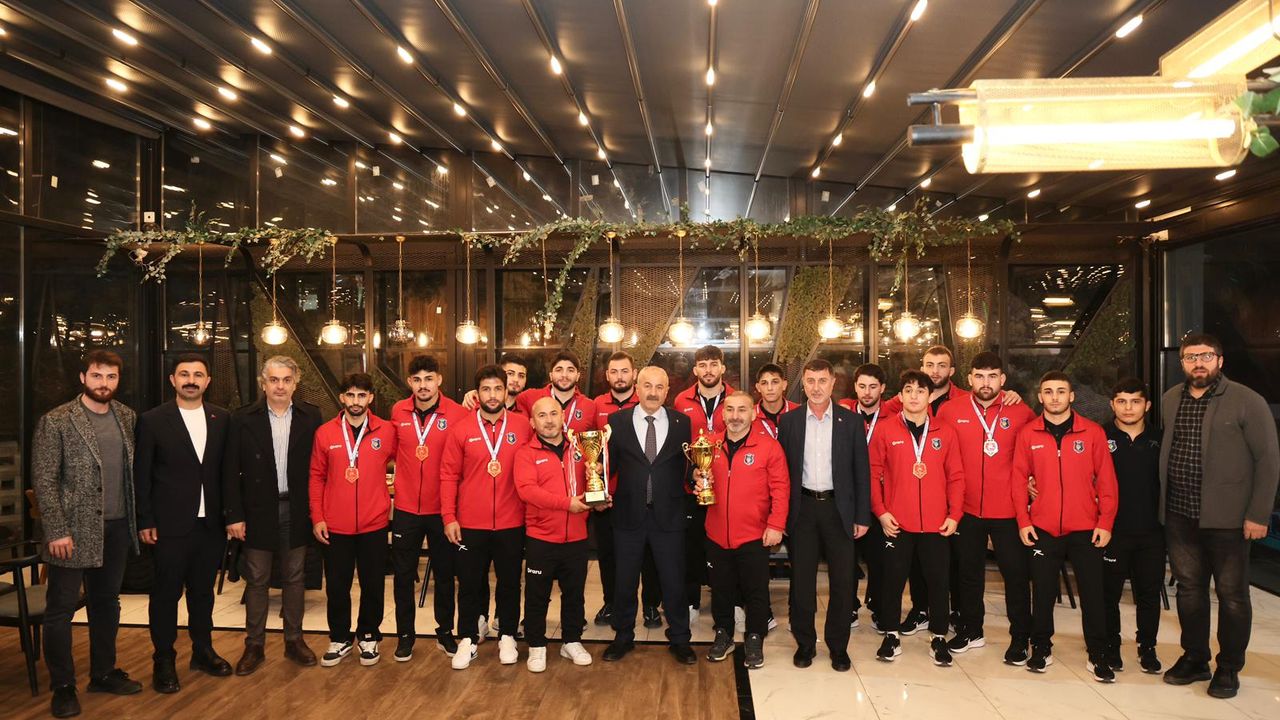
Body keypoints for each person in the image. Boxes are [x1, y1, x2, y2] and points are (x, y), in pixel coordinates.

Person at [1159, 333, 1279, 699]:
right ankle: (1195, 658)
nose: (1199, 363)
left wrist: (1258, 514)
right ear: (1182, 362)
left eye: (1206, 356)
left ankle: (1228, 667)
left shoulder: (1247, 400)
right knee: (1189, 591)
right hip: (1180, 514)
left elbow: (1268, 461)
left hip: (1230, 520)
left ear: (1220, 360)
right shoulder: (1170, 398)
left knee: (1232, 596)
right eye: (1191, 357)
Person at [33, 350, 142, 718]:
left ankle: (103, 673)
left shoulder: (126, 416)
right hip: (72, 532)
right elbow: (45, 480)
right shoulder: (57, 420)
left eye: (111, 377)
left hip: (117, 527)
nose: (104, 383)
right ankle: (63, 686)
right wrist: (56, 530)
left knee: (107, 603)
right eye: (97, 376)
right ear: (83, 377)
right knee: (60, 610)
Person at [1011, 371, 1118, 682]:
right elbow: (1018, 480)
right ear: (1040, 397)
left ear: (1072, 396)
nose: (1055, 397)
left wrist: (1106, 522)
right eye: (1048, 391)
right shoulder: (1028, 434)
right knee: (1042, 594)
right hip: (1043, 528)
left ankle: (1098, 652)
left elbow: (1107, 481)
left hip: (1086, 528)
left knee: (1093, 595)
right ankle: (1041, 648)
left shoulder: (1093, 433)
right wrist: (1023, 521)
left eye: (1061, 391)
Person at [135, 354, 231, 693]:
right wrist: (145, 518)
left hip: (210, 525)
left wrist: (231, 516)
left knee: (203, 594)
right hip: (168, 526)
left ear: (208, 381)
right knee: (166, 595)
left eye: (198, 375)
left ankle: (203, 652)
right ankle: (163, 659)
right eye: (184, 374)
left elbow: (227, 472)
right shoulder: (152, 420)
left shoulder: (222, 418)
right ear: (172, 380)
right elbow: (141, 474)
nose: (191, 380)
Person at [223, 356, 322, 675]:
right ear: (263, 383)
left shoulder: (311, 416)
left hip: (296, 509)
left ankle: (294, 640)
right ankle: (254, 645)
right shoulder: (242, 418)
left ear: (296, 382)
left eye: (286, 380)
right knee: (257, 580)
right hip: (256, 511)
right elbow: (229, 471)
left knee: (295, 578)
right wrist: (233, 515)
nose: (280, 386)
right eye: (274, 380)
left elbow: (320, 468)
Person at [935, 352, 1035, 663]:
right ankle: (971, 630)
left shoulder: (1021, 411)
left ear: (1003, 379)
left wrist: (1034, 482)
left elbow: (1036, 452)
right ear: (969, 379)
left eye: (992, 376)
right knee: (968, 574)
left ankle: (1020, 638)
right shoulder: (950, 410)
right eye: (979, 376)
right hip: (966, 509)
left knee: (1015, 576)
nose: (986, 383)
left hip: (1008, 509)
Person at [778, 359, 870, 672]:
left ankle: (838, 647)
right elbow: (781, 474)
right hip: (802, 510)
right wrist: (781, 515)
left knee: (843, 582)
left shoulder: (851, 421)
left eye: (822, 381)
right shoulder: (789, 422)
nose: (816, 387)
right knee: (801, 582)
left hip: (839, 510)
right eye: (810, 381)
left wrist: (862, 516)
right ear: (803, 384)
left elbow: (862, 472)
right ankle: (805, 643)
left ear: (833, 383)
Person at [602, 365, 697, 665]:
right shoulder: (616, 421)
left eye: (659, 387)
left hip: (670, 516)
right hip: (628, 515)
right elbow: (606, 466)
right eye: (647, 386)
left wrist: (698, 476)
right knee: (625, 581)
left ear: (667, 391)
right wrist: (597, 488)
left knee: (674, 581)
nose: (653, 392)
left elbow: (690, 466)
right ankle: (622, 636)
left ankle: (680, 639)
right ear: (637, 387)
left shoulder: (683, 423)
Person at [869, 370, 964, 667]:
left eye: (920, 391)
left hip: (937, 524)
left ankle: (938, 637)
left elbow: (956, 477)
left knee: (938, 582)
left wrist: (955, 515)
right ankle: (891, 634)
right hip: (897, 523)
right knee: (892, 581)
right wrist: (881, 512)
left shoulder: (946, 432)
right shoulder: (885, 430)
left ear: (930, 396)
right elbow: (872, 474)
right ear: (900, 396)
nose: (914, 396)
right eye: (908, 390)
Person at [441, 365, 532, 670]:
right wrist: (449, 517)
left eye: (497, 389)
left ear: (506, 391)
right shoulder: (461, 429)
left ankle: (507, 635)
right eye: (486, 389)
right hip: (470, 524)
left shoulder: (523, 426)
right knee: (468, 583)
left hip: (511, 521)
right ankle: (467, 638)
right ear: (476, 393)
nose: (492, 395)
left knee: (510, 582)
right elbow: (448, 475)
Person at [309, 373, 397, 668]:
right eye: (350, 395)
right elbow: (316, 477)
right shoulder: (325, 433)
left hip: (374, 524)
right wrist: (318, 516)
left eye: (361, 395)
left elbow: (408, 463)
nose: (356, 401)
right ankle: (340, 638)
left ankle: (369, 635)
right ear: (342, 398)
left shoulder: (387, 430)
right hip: (335, 525)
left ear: (370, 398)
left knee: (373, 584)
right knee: (337, 586)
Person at [699, 392, 789, 669]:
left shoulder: (769, 447)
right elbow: (697, 481)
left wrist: (776, 525)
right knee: (720, 589)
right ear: (722, 414)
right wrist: (697, 480)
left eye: (741, 410)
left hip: (754, 534)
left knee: (756, 590)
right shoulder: (709, 445)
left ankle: (754, 637)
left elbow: (781, 489)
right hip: (716, 533)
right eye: (730, 410)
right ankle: (723, 633)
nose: (735, 416)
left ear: (753, 414)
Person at [389, 355, 466, 661]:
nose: (423, 385)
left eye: (429, 379)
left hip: (441, 510)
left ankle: (445, 632)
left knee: (445, 576)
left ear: (439, 380)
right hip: (406, 508)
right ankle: (405, 635)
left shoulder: (458, 413)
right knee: (403, 576)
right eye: (417, 380)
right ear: (410, 382)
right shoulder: (398, 410)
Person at [514, 397, 595, 672]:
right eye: (542, 415)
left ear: (563, 417)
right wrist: (566, 504)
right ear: (532, 422)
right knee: (537, 595)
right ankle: (536, 645)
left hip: (577, 537)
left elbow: (592, 482)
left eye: (553, 414)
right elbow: (527, 490)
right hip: (541, 538)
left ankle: (571, 640)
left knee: (574, 594)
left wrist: (599, 499)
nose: (548, 420)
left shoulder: (581, 448)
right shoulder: (526, 453)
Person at [590, 351, 662, 629]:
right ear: (607, 375)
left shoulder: (647, 400)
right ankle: (612, 602)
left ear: (634, 374)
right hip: (608, 496)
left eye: (624, 371)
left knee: (649, 554)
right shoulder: (596, 405)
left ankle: (651, 604)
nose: (619, 377)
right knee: (609, 554)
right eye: (614, 371)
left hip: (641, 494)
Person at [1101, 377, 1164, 674]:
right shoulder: (1099, 436)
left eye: (1135, 401)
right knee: (1108, 594)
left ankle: (1147, 647)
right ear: (1112, 404)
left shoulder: (1161, 438)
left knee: (1149, 595)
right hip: (1111, 531)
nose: (1128, 408)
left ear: (1147, 405)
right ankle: (1111, 646)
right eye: (1122, 401)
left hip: (1152, 531)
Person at [672, 345, 735, 625]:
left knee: (725, 549)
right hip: (692, 487)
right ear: (695, 369)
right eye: (703, 365)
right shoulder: (681, 400)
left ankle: (733, 601)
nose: (708, 370)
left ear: (722, 367)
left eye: (713, 364)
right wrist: (691, 475)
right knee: (690, 547)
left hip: (727, 487)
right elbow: (678, 446)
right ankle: (690, 601)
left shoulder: (735, 398)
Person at [845, 363, 896, 631]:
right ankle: (849, 606)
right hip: (848, 498)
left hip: (881, 499)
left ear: (882, 388)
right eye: (862, 386)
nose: (867, 392)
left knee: (880, 559)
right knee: (846, 557)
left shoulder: (895, 417)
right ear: (855, 387)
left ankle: (877, 605)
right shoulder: (842, 414)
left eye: (873, 387)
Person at [514, 350, 598, 432]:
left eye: (570, 370)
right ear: (551, 375)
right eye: (559, 370)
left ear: (578, 376)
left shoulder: (589, 406)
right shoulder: (529, 397)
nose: (564, 375)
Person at [753, 363, 798, 439]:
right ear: (758, 387)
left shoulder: (799, 412)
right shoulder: (749, 415)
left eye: (775, 382)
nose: (770, 388)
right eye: (764, 383)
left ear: (784, 385)